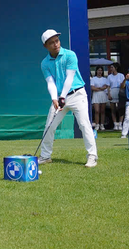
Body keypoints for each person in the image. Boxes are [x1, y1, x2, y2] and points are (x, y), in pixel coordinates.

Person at [37, 29, 97, 167]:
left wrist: (62, 97)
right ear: (45, 46)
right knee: (49, 126)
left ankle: (92, 156)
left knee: (84, 125)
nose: (55, 44)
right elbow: (50, 83)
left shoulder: (70, 55)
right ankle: (45, 156)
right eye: (51, 43)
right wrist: (55, 98)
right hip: (59, 97)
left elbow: (69, 78)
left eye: (57, 40)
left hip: (77, 94)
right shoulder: (44, 63)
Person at [106, 64, 124, 130]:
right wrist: (109, 94)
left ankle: (120, 124)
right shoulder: (109, 76)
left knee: (120, 109)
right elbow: (108, 86)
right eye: (110, 67)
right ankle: (115, 124)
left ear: (115, 68)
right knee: (113, 109)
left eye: (112, 67)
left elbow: (123, 84)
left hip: (119, 92)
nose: (111, 68)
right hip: (112, 91)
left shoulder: (121, 75)